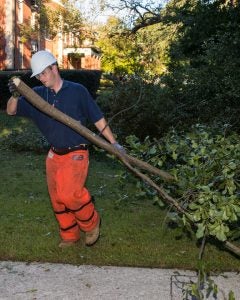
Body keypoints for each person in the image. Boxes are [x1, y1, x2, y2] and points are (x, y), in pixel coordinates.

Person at [7, 50, 125, 248]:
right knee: (57, 199)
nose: (41, 79)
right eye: (38, 76)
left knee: (69, 194)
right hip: (54, 155)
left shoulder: (77, 91)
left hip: (76, 151)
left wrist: (113, 143)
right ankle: (70, 235)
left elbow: (97, 118)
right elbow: (11, 111)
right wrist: (15, 94)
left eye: (43, 73)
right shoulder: (37, 96)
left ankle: (91, 222)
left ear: (54, 68)